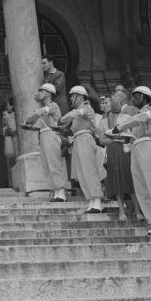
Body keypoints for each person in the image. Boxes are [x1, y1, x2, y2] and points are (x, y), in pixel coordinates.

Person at [112, 86, 151, 235]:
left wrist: (119, 127)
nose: (134, 98)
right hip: (135, 147)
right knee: (141, 186)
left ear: (145, 96)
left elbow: (141, 119)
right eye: (132, 96)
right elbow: (133, 125)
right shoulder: (136, 114)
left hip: (148, 145)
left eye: (137, 96)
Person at [60, 85, 104, 213]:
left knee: (89, 171)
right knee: (81, 173)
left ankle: (97, 201)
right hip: (78, 141)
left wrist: (64, 118)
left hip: (85, 139)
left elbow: (71, 116)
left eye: (73, 95)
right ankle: (91, 200)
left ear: (80, 95)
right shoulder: (77, 111)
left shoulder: (86, 107)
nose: (72, 98)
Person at [25, 83, 68, 202]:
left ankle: (61, 193)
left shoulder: (52, 105)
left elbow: (41, 113)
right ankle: (56, 191)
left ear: (48, 93)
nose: (40, 93)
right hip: (44, 135)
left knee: (54, 164)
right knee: (47, 165)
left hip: (51, 135)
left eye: (42, 91)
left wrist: (30, 119)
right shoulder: (44, 107)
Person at [97, 95, 137, 221]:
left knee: (130, 181)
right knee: (117, 183)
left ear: (114, 102)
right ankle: (121, 210)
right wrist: (114, 139)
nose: (106, 104)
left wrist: (123, 137)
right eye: (104, 102)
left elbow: (132, 134)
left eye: (108, 101)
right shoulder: (103, 121)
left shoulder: (126, 117)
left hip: (126, 150)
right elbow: (101, 141)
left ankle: (137, 211)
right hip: (112, 151)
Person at [3, 96, 18, 177]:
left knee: (16, 158)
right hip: (10, 140)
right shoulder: (6, 115)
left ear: (12, 106)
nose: (6, 107)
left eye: (7, 105)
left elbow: (13, 128)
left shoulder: (14, 115)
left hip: (15, 139)